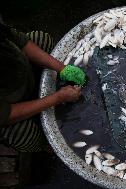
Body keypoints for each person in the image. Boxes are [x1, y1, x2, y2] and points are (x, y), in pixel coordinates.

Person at [0, 23, 86, 152]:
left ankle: (41, 79)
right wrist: (58, 98)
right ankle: (47, 146)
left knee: (41, 39)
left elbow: (21, 42)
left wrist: (62, 69)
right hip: (9, 108)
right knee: (23, 136)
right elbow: (7, 114)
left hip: (21, 71)